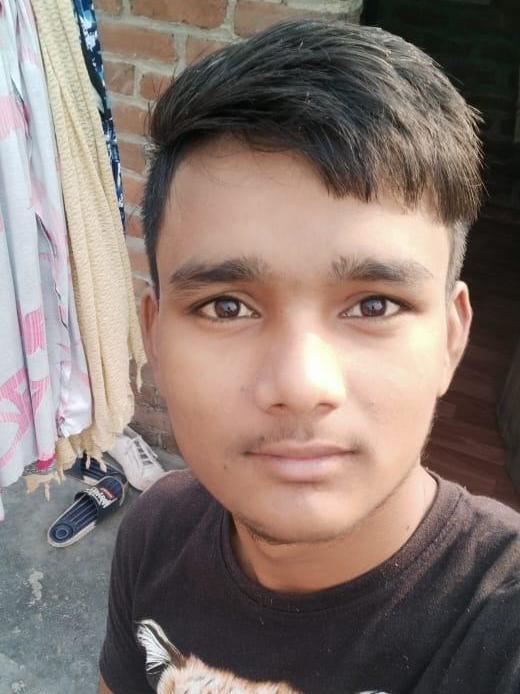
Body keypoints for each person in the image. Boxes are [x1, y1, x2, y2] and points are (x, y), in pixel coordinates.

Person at [98, 19, 520, 694]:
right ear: (155, 337)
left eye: (374, 305)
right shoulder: (154, 534)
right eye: (226, 306)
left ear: (451, 336)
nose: (300, 383)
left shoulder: (500, 630)